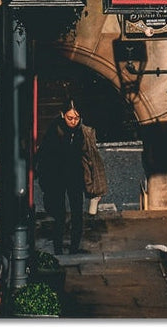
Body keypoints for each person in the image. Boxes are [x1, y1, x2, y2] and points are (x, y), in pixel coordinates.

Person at [35, 100, 107, 255]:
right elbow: (45, 157)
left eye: (76, 118)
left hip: (76, 175)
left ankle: (74, 248)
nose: (74, 122)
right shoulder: (54, 130)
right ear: (62, 115)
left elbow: (92, 158)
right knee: (59, 215)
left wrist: (96, 186)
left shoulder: (83, 131)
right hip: (57, 176)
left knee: (77, 214)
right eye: (70, 118)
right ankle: (58, 249)